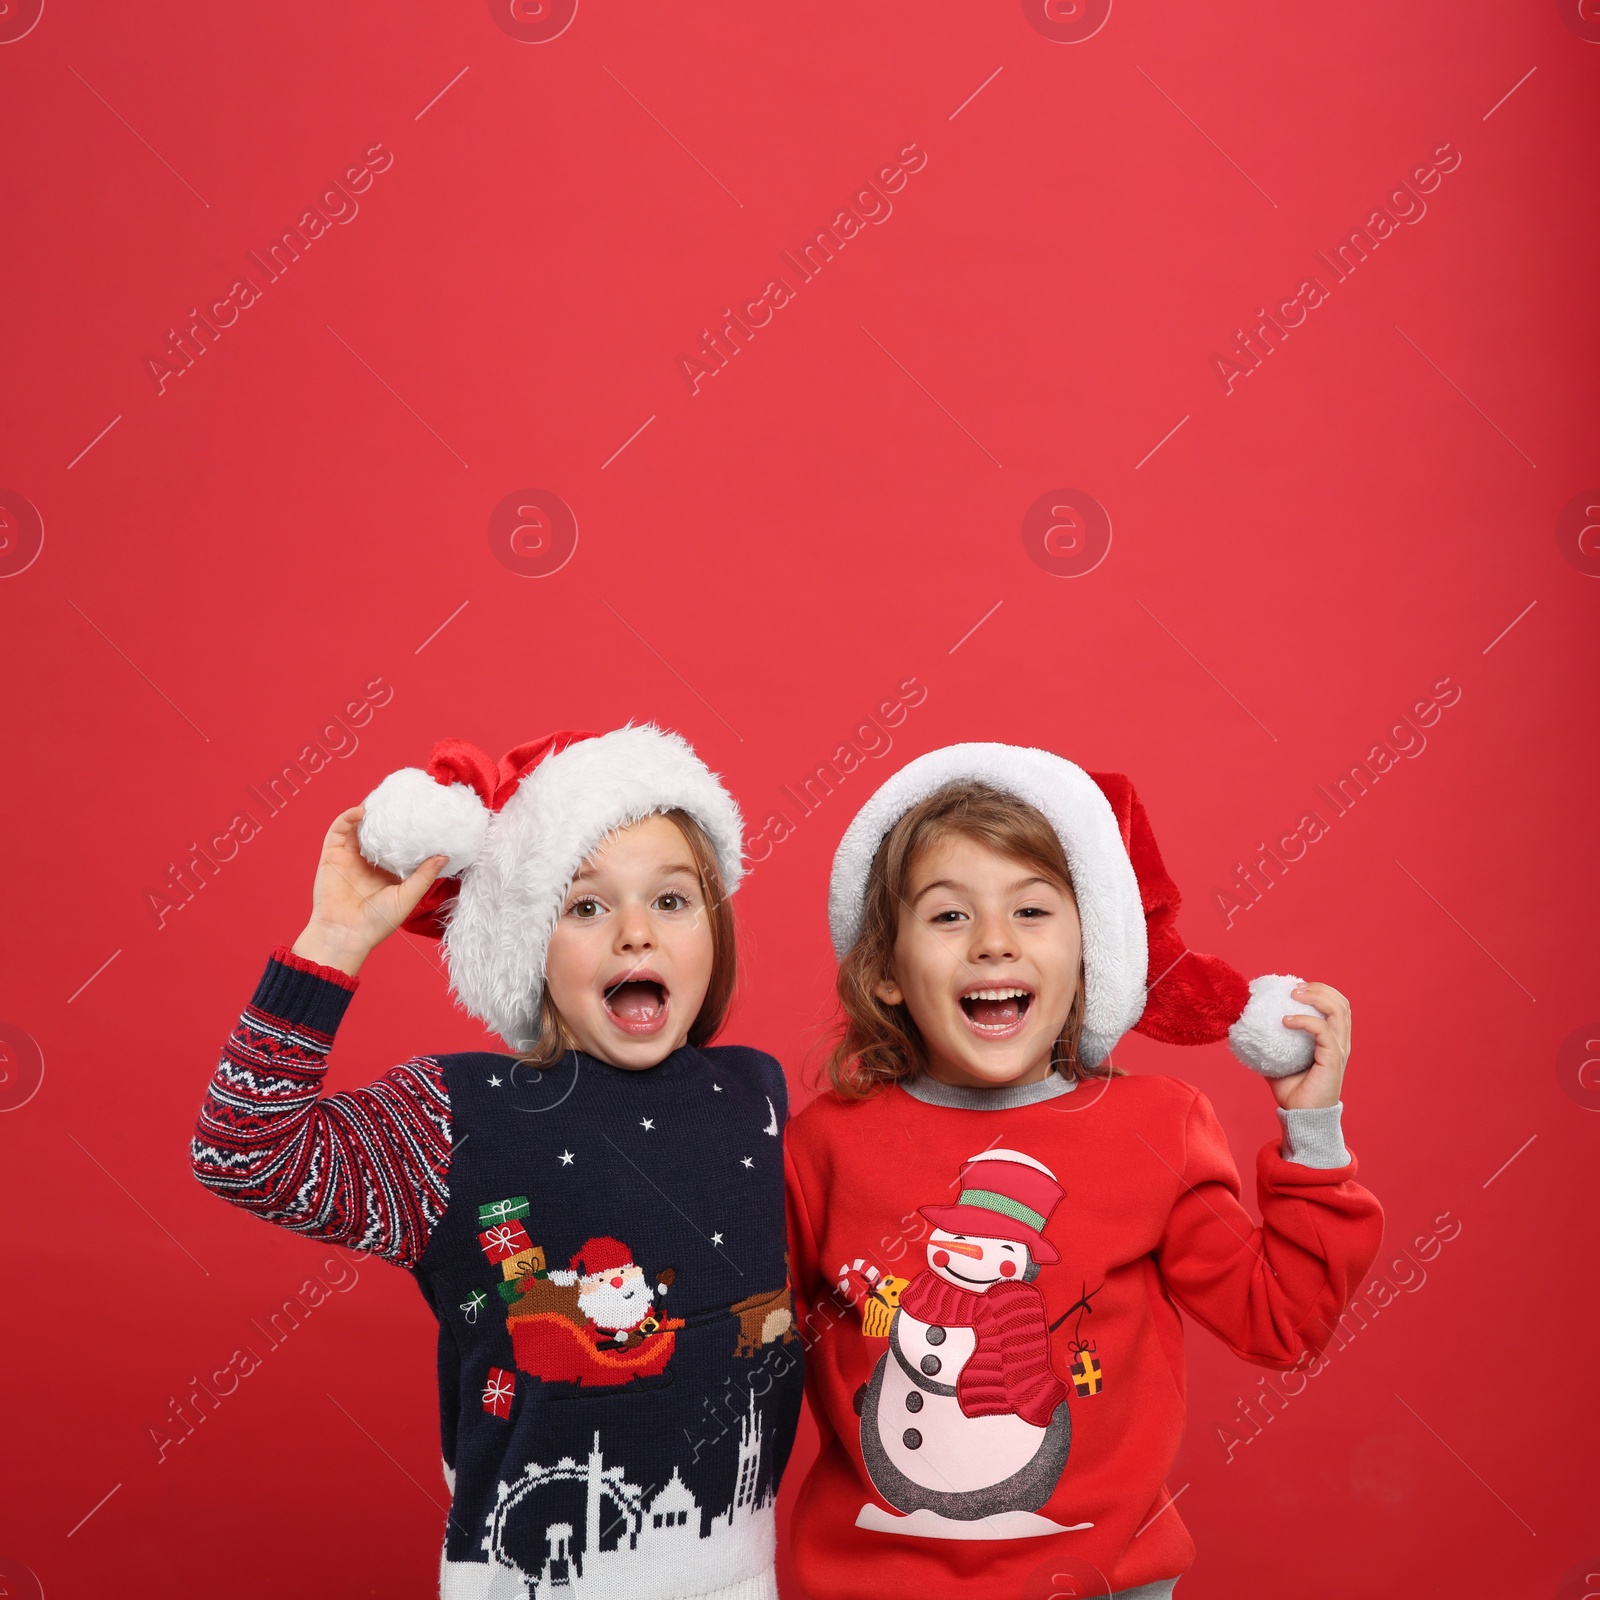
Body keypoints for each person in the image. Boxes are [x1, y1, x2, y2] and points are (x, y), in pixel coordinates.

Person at [193, 726, 803, 1600]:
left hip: (742, 1573)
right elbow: (243, 1153)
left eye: (671, 901)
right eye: (585, 907)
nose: (636, 934)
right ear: (527, 946)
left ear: (716, 927)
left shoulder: (758, 1098)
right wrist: (336, 936)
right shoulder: (461, 1115)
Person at [784, 744, 1382, 1598]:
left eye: (1032, 911)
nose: (994, 943)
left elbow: (1281, 1319)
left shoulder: (1156, 1129)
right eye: (949, 916)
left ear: (1091, 949)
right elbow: (744, 1348)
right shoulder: (824, 1148)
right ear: (883, 970)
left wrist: (1311, 1125)